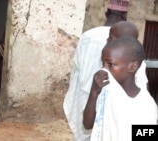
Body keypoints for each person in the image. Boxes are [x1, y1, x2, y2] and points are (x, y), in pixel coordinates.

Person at [63, 1, 132, 141]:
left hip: (85, 107)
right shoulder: (129, 44)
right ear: (124, 16)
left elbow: (77, 72)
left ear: (106, 13)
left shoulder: (87, 37)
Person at [83, 36, 158, 141]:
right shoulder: (105, 90)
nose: (104, 69)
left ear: (132, 67)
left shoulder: (146, 105)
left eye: (110, 64)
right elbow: (87, 124)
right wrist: (93, 93)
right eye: (102, 63)